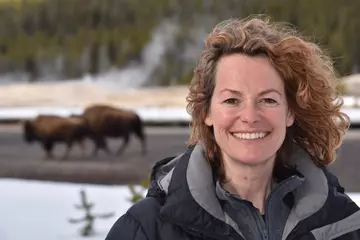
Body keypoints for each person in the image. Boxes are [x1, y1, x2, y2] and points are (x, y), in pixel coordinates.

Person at [105, 15, 360, 240]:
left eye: (268, 100)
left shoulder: (343, 223)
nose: (249, 116)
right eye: (231, 100)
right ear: (206, 112)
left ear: (290, 113)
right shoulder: (147, 229)